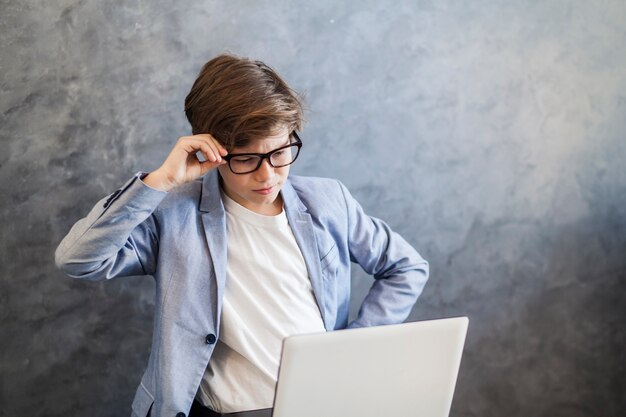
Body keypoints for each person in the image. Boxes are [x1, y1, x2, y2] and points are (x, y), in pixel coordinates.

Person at [55, 54, 429, 417]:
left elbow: (406, 267)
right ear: (212, 150)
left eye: (280, 152)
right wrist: (158, 182)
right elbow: (79, 259)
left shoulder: (328, 201)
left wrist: (356, 343)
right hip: (215, 409)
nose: (267, 176)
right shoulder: (172, 213)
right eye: (246, 159)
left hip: (320, 404)